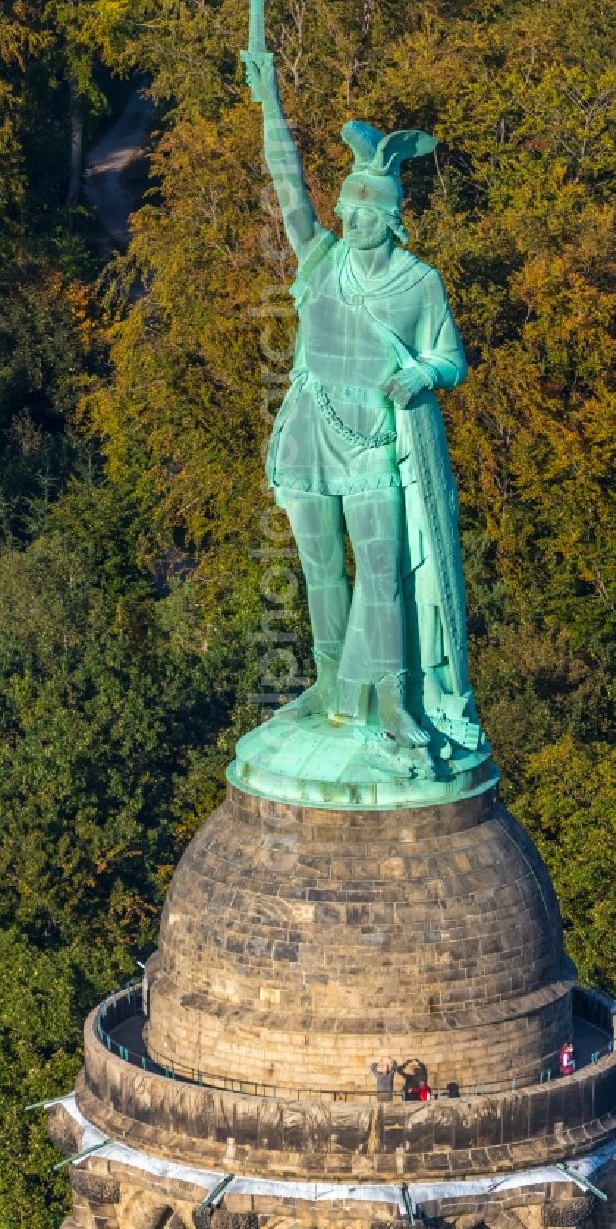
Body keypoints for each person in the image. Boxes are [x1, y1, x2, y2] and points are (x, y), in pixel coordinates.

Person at [243, 54, 478, 754]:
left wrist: (421, 377)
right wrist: (270, 105)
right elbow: (287, 190)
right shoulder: (320, 259)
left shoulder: (419, 283)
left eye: (372, 209)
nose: (358, 217)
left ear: (393, 216)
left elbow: (450, 357)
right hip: (311, 430)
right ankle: (329, 687)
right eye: (351, 205)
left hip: (374, 440)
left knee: (383, 575)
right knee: (319, 568)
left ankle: (392, 701)